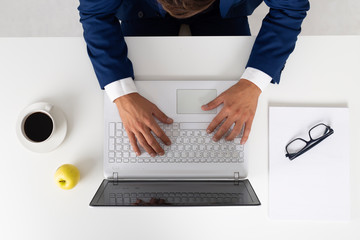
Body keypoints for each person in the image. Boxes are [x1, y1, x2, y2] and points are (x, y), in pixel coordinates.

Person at [78, 0, 310, 157]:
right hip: (144, 9)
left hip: (224, 9)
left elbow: (290, 7)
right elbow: (95, 12)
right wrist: (122, 94)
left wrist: (254, 82)